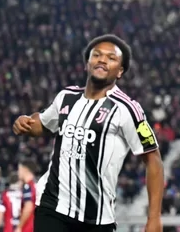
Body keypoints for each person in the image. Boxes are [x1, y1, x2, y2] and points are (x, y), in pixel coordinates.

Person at [12, 35, 164, 232]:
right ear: (87, 64)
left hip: (98, 218)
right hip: (52, 207)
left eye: (111, 58)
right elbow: (42, 123)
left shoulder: (127, 109)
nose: (102, 60)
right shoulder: (66, 97)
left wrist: (154, 218)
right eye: (97, 55)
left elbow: (153, 160)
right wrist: (25, 122)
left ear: (120, 71)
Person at [16, 160, 38, 232]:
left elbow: (28, 207)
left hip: (28, 227)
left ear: (25, 169)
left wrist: (19, 227)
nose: (18, 173)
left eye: (19, 170)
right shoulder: (36, 185)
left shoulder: (28, 186)